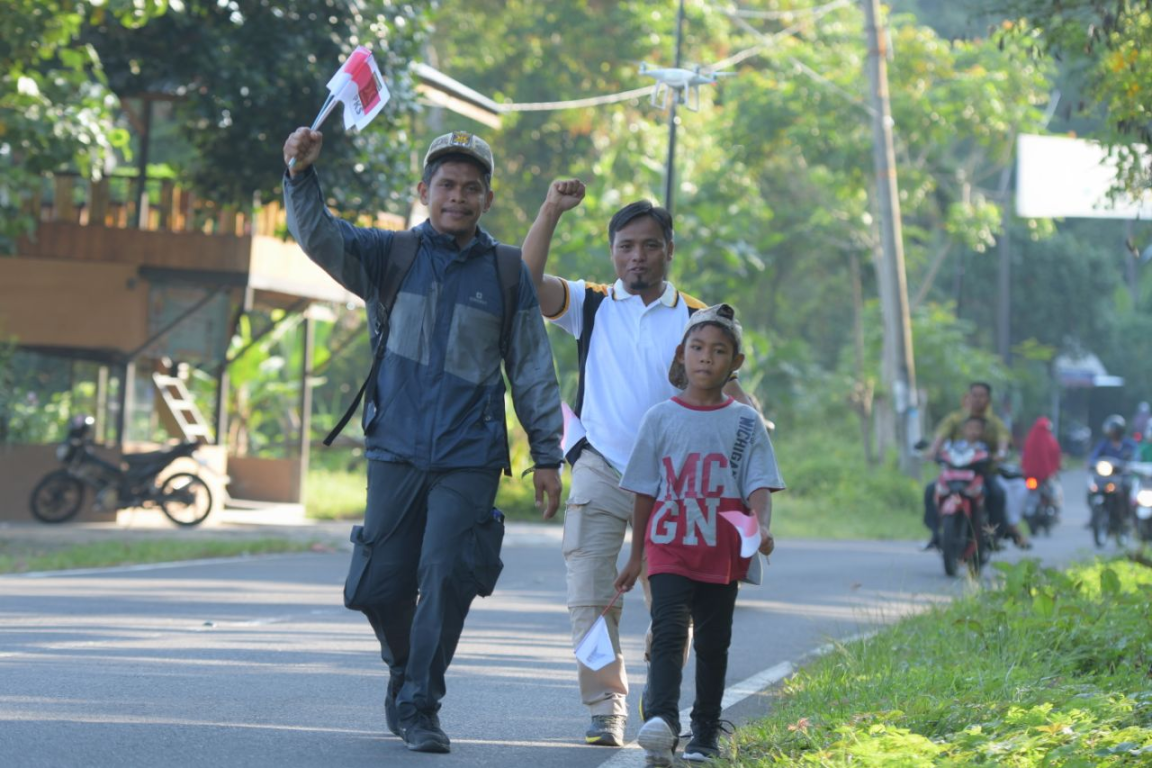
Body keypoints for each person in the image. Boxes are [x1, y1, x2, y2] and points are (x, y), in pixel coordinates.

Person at [281, 127, 564, 754]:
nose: (457, 197)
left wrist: (547, 454)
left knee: (444, 574)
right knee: (374, 585)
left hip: (470, 454)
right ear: (424, 192)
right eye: (446, 185)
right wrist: (301, 178)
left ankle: (420, 705)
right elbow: (320, 235)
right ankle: (404, 667)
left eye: (470, 187)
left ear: (487, 198)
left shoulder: (506, 270)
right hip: (395, 448)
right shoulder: (390, 256)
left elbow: (531, 366)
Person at [521, 180, 757, 746]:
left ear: (668, 250)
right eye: (626, 245)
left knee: (676, 607)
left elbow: (735, 401)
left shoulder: (698, 320)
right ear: (613, 252)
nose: (637, 257)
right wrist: (552, 210)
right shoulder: (592, 304)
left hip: (681, 486)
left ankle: (664, 685)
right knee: (588, 597)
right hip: (601, 469)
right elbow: (525, 285)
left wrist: (752, 489)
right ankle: (607, 705)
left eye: (649, 245)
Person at [614, 304, 784, 766]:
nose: (706, 358)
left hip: (722, 550)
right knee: (668, 631)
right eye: (697, 348)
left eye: (718, 351)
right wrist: (635, 558)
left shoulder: (745, 422)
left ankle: (705, 730)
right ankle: (663, 721)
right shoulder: (660, 418)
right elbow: (644, 493)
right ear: (681, 354)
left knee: (713, 642)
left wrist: (761, 526)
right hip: (667, 546)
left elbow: (758, 483)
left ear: (735, 363)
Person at [922, 382, 1029, 549]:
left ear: (988, 399)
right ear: (968, 397)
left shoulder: (995, 423)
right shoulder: (955, 419)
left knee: (997, 494)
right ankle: (935, 532)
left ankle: (992, 535)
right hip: (956, 471)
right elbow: (940, 437)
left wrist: (1000, 453)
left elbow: (1003, 441)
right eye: (974, 395)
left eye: (982, 396)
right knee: (931, 490)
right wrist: (932, 450)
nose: (978, 399)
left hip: (983, 473)